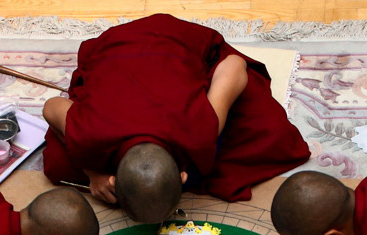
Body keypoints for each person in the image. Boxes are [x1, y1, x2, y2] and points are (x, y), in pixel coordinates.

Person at [42, 13, 310, 223]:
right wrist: (93, 173)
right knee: (58, 166)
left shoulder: (200, 130)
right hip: (114, 45)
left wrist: (91, 168)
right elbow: (52, 106)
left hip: (182, 39)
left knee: (268, 133)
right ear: (183, 177)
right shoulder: (91, 134)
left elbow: (234, 66)